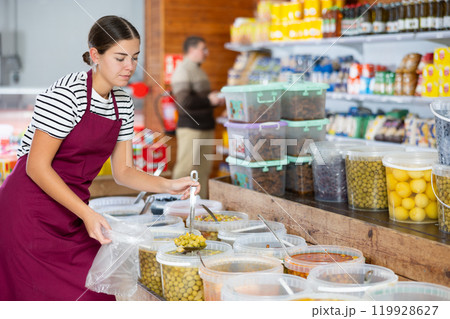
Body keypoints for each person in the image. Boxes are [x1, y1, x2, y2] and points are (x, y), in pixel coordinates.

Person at [0, 15, 199, 301]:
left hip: (71, 213)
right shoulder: (66, 95)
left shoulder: (123, 103)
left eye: (134, 57)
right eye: (120, 58)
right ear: (95, 55)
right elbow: (36, 167)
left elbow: (124, 172)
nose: (130, 66)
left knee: (98, 294)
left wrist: (169, 186)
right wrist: (87, 214)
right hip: (28, 213)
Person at [171, 36, 224, 199]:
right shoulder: (183, 70)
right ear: (192, 50)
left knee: (203, 171)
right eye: (203, 49)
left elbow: (200, 100)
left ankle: (201, 207)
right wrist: (209, 99)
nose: (206, 53)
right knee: (185, 170)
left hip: (206, 127)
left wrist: (214, 100)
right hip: (191, 129)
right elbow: (184, 102)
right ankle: (174, 205)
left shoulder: (198, 69)